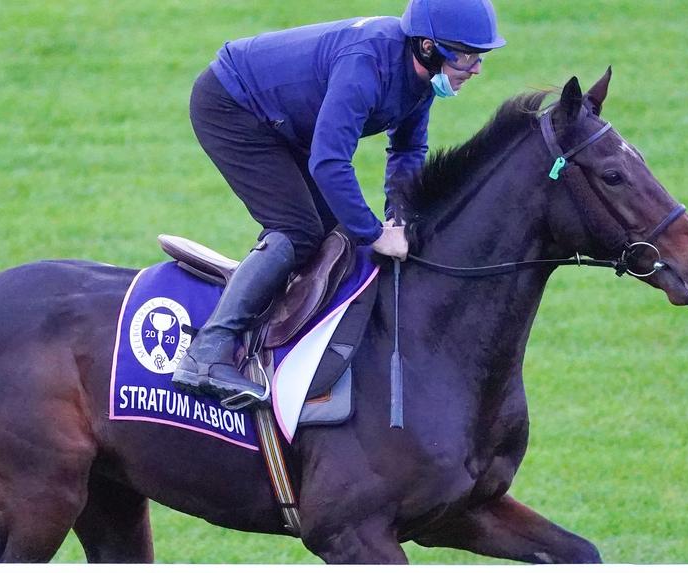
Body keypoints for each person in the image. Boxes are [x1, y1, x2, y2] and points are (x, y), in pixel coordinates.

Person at [172, 0, 505, 405]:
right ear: (428, 48)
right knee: (298, 230)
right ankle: (206, 355)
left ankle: (289, 346)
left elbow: (408, 150)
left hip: (284, 120)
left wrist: (398, 218)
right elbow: (329, 163)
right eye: (468, 57)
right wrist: (373, 234)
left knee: (337, 236)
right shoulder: (367, 65)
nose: (476, 70)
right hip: (231, 106)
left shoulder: (418, 81)